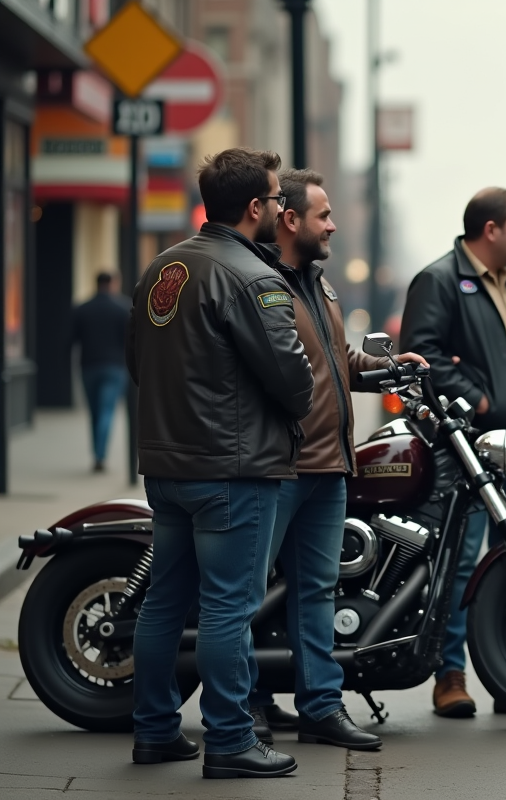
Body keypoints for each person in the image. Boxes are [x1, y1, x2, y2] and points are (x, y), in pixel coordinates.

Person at [126, 148, 314, 779]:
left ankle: (154, 730)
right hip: (233, 469)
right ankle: (231, 740)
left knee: (164, 601)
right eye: (277, 199)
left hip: (168, 465)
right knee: (229, 607)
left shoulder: (163, 266)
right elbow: (295, 383)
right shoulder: (254, 277)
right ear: (256, 206)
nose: (282, 209)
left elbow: (137, 364)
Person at [245, 168, 427, 749]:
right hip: (278, 467)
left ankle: (321, 709)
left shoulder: (318, 284)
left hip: (328, 465)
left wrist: (389, 367)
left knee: (314, 593)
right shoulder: (259, 281)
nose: (333, 225)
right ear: (290, 219)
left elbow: (337, 361)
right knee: (249, 596)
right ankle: (248, 705)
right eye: (323, 215)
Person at [399, 187, 506, 717]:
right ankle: (450, 675)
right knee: (460, 563)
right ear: (491, 230)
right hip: (468, 446)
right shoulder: (439, 280)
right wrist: (477, 400)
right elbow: (421, 355)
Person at [70, 272, 130, 472]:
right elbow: (131, 340)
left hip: (88, 366)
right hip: (115, 367)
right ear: (113, 284)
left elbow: (71, 340)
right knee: (106, 411)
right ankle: (100, 456)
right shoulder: (123, 307)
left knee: (94, 413)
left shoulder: (82, 308)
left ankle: (97, 453)